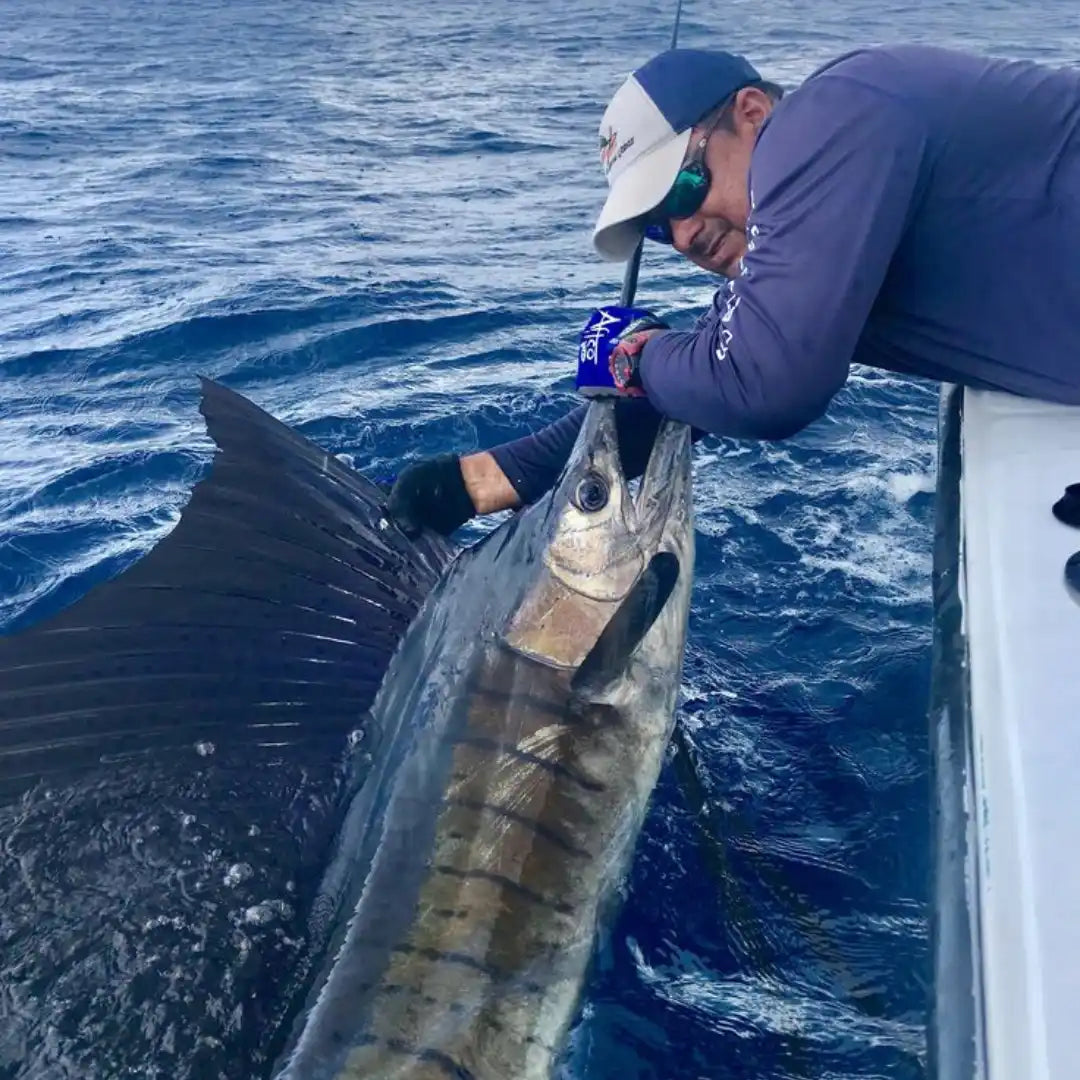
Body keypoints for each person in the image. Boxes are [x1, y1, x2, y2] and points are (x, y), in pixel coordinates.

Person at [386, 43, 1080, 537]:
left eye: (686, 187)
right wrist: (476, 482)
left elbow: (765, 387)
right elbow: (695, 385)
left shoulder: (832, 116)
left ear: (752, 110)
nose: (685, 233)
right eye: (658, 228)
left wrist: (634, 353)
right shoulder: (818, 237)